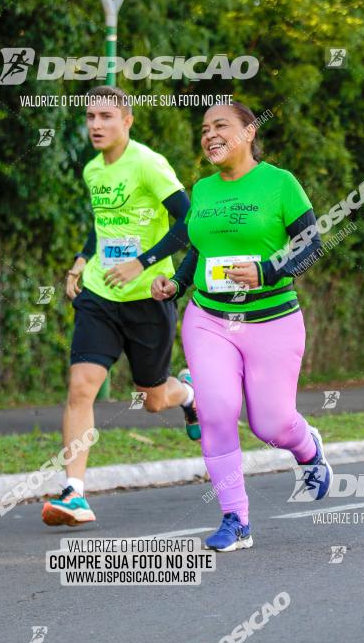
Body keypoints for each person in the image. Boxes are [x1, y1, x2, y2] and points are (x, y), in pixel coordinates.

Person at [151, 101, 332, 551]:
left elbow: (312, 246)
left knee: (270, 425)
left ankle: (307, 446)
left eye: (221, 126)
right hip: (210, 319)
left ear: (249, 132)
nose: (210, 134)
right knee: (216, 411)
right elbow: (198, 249)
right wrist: (175, 282)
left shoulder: (280, 183)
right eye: (205, 128)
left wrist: (267, 271)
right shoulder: (204, 190)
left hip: (272, 320)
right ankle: (236, 518)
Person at [41, 85, 200, 528]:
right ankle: (74, 492)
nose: (96, 125)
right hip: (100, 295)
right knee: (81, 386)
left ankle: (188, 393)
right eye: (91, 117)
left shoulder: (148, 164)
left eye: (106, 117)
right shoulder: (93, 170)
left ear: (126, 121)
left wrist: (143, 263)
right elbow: (101, 226)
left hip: (149, 297)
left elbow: (191, 222)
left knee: (152, 399)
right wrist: (80, 260)